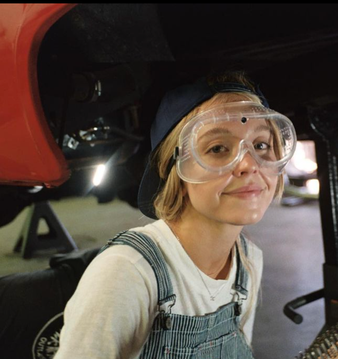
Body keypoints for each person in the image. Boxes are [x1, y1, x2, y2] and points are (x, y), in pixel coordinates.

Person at [54, 69, 297, 359]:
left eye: (261, 145)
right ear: (175, 173)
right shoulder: (128, 272)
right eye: (218, 148)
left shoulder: (248, 262)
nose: (248, 164)